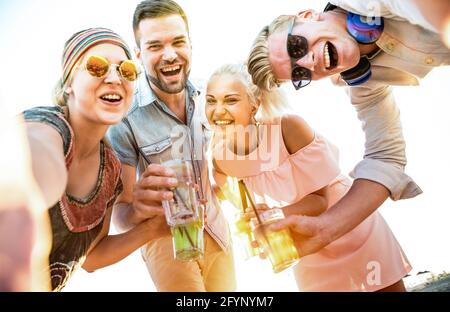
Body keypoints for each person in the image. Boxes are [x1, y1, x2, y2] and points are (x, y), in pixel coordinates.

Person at [247, 0, 450, 259]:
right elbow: (385, 157)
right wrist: (325, 229)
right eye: (299, 73)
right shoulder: (361, 79)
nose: (308, 63)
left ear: (308, 15)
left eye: (296, 46)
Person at [206, 63, 411, 291]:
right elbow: (242, 204)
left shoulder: (288, 128)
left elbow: (319, 201)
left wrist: (272, 218)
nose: (218, 110)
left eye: (231, 100)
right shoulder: (221, 160)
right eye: (211, 100)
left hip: (348, 221)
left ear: (254, 105)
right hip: (303, 240)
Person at [18, 27, 169, 291]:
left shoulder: (111, 169)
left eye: (126, 70)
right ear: (68, 84)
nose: (114, 78)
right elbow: (32, 152)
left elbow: (91, 256)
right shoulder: (46, 127)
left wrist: (153, 229)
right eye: (97, 66)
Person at [107, 0, 235, 292]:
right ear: (139, 54)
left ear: (190, 45)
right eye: (154, 46)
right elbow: (122, 216)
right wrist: (139, 209)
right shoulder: (125, 120)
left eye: (178, 42)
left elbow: (233, 158)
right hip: (165, 239)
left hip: (217, 230)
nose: (169, 55)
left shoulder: (210, 97)